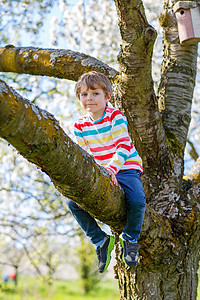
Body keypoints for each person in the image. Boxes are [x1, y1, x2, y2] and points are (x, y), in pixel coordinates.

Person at [67, 71, 146, 273]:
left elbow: (123, 146)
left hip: (125, 167)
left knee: (137, 201)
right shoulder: (79, 125)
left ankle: (130, 238)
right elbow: (85, 155)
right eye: (84, 95)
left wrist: (112, 168)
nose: (89, 98)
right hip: (102, 171)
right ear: (79, 99)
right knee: (72, 202)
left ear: (107, 96)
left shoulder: (115, 117)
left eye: (95, 93)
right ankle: (100, 240)